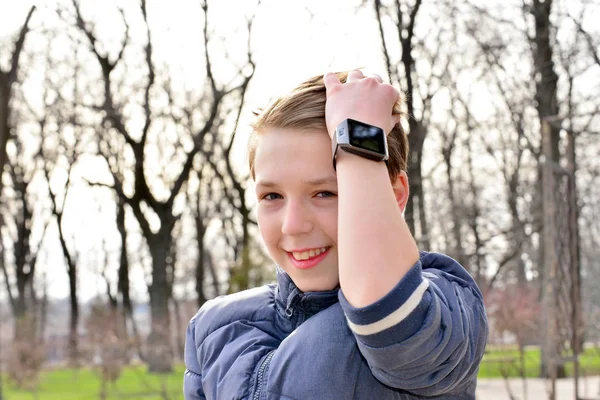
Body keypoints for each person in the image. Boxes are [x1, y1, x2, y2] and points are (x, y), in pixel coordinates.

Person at [183, 70, 488, 400]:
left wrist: (359, 141)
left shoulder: (442, 305)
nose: (292, 225)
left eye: (325, 193)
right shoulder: (213, 328)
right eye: (272, 196)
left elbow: (386, 310)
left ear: (395, 194)